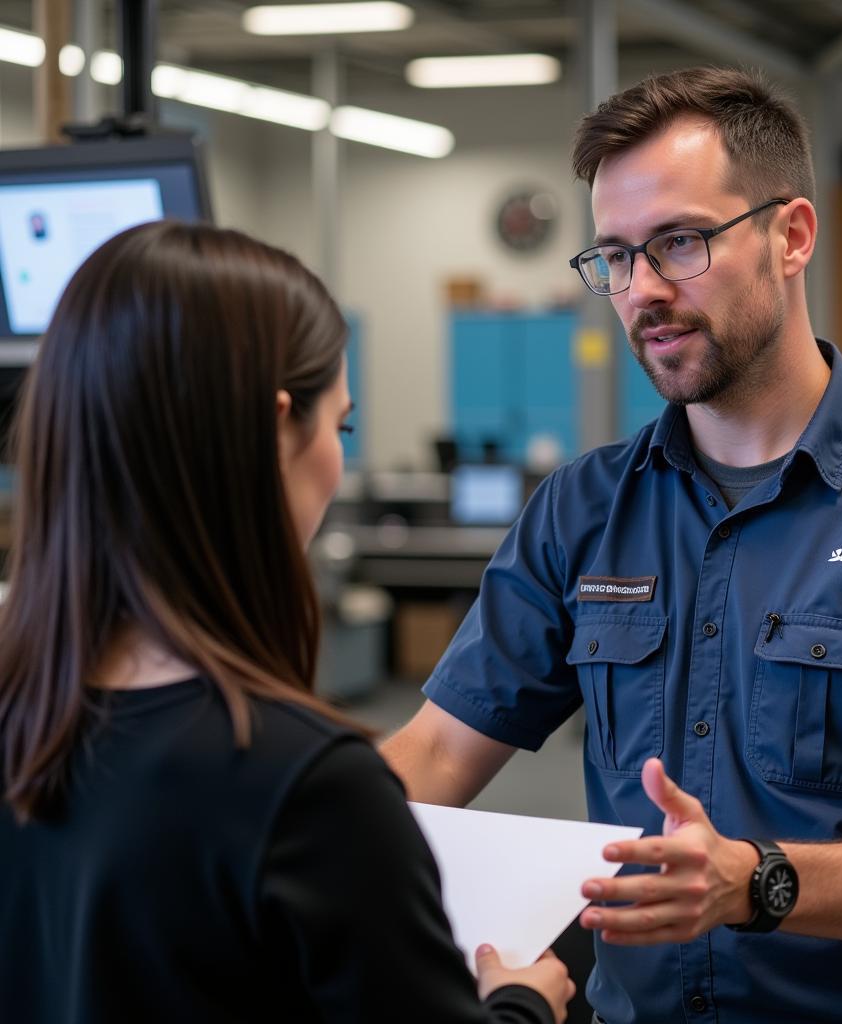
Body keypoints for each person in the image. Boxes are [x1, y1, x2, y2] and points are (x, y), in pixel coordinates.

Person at [380, 66, 842, 1024]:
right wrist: (263, 832)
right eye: (616, 257)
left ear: (791, 235)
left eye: (679, 243)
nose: (643, 291)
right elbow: (435, 750)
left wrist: (756, 882)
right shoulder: (581, 513)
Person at [0, 221, 573, 1024]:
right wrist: (520, 1004)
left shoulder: (26, 715)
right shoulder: (303, 786)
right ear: (277, 430)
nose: (338, 459)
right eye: (339, 426)